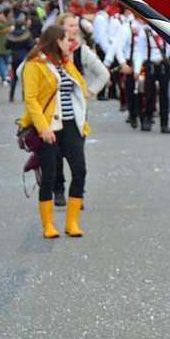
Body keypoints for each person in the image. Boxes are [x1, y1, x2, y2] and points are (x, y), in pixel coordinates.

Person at [19, 24, 89, 239]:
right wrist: (42, 127)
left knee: (80, 171)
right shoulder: (34, 64)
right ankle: (48, 225)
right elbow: (30, 99)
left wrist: (68, 60)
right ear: (56, 41)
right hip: (48, 127)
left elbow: (82, 88)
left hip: (71, 126)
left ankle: (72, 222)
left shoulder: (66, 63)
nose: (71, 43)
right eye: (67, 39)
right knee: (48, 176)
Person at [52, 13, 110, 205]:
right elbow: (24, 71)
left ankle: (77, 193)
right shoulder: (48, 51)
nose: (74, 29)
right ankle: (58, 188)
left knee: (77, 155)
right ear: (60, 28)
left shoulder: (81, 50)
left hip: (76, 111)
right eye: (70, 26)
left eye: (76, 26)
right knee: (54, 154)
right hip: (52, 110)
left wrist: (89, 91)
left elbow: (103, 74)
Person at [133, 23, 170, 133]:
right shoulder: (144, 31)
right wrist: (136, 69)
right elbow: (139, 51)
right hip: (151, 65)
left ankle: (164, 124)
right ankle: (147, 120)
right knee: (149, 94)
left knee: (164, 96)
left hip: (164, 66)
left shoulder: (166, 30)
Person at [6, 14, 34, 102]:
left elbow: (6, 46)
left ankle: (11, 95)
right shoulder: (26, 34)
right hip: (24, 56)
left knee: (14, 76)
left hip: (14, 56)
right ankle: (24, 96)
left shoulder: (11, 34)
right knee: (24, 76)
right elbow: (31, 45)